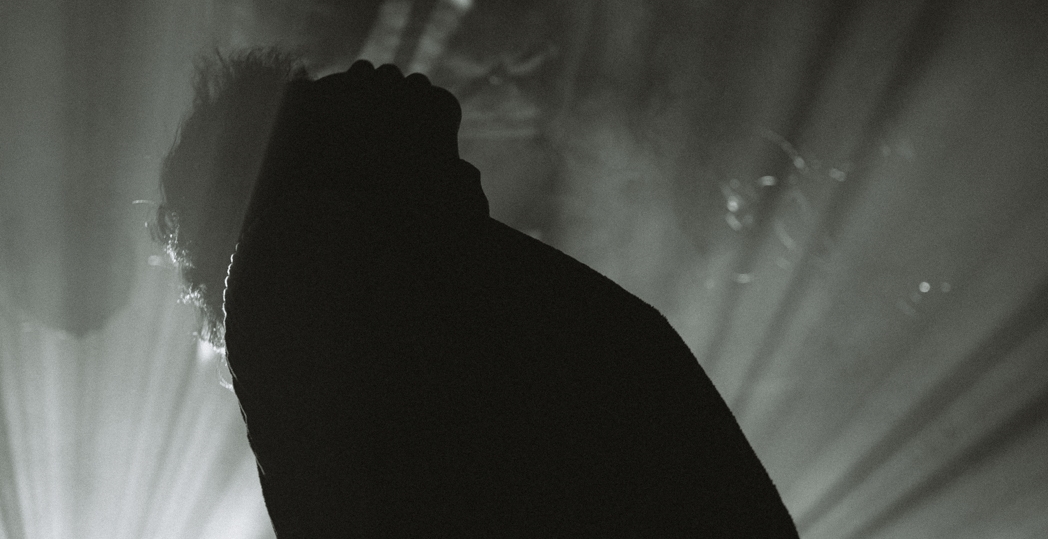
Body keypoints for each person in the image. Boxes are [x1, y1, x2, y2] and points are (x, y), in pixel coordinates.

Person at [157, 52, 799, 538]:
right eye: (308, 96)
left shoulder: (385, 274)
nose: (360, 68)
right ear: (274, 158)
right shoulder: (291, 258)